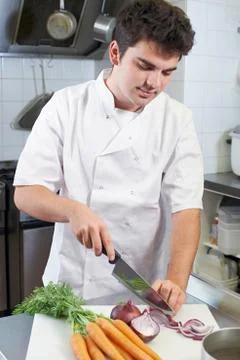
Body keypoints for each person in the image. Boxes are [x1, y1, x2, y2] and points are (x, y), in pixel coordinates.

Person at [13, 0, 203, 313]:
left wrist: (176, 281)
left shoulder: (177, 119)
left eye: (167, 72)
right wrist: (73, 210)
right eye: (145, 66)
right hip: (72, 287)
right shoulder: (67, 106)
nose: (154, 83)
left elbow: (187, 209)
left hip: (142, 288)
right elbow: (26, 193)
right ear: (115, 53)